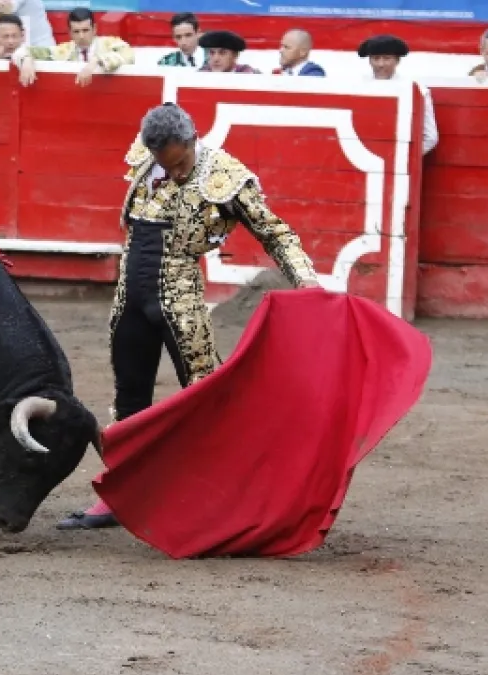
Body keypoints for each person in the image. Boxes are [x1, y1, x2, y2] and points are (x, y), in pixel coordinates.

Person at [56, 103, 321, 530]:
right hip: (130, 296)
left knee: (204, 398)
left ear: (191, 139)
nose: (172, 171)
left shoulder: (227, 178)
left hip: (181, 300)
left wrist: (307, 282)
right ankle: (123, 496)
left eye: (177, 162)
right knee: (129, 400)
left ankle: (225, 497)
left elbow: (275, 233)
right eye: (162, 161)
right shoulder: (145, 159)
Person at [358, 35, 438, 155]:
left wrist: (403, 158)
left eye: (387, 58)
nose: (381, 64)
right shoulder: (358, 86)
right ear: (369, 61)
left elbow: (431, 137)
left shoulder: (416, 89)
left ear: (397, 61)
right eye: (376, 58)